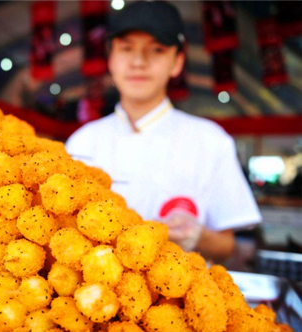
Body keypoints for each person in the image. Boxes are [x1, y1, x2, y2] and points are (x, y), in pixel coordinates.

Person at [65, 1, 261, 262]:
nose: (138, 62)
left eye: (156, 50)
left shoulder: (210, 140)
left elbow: (227, 245)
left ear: (177, 62)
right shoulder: (82, 142)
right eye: (126, 48)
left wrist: (197, 236)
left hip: (177, 294)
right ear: (110, 59)